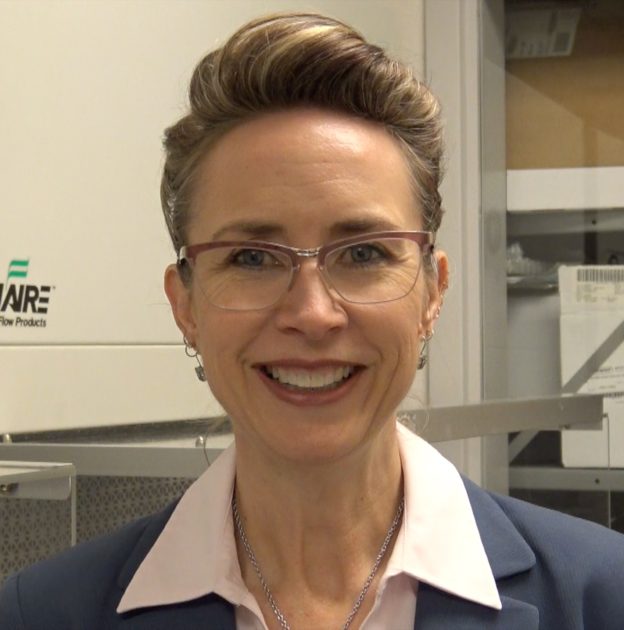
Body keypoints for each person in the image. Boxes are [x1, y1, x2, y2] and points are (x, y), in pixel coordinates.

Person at [1, 12, 624, 630]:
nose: (312, 314)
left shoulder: (602, 598)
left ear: (432, 292)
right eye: (251, 257)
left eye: (362, 254)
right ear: (185, 305)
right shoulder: (43, 614)